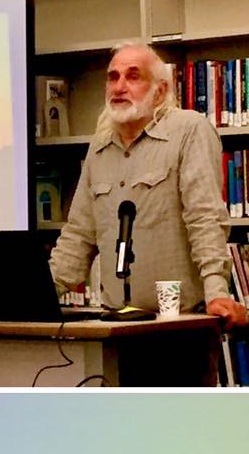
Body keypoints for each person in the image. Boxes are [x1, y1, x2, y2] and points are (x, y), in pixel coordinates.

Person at [49, 42, 247, 329]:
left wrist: (217, 292)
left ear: (160, 90)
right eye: (113, 77)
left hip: (179, 323)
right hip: (114, 325)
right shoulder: (100, 146)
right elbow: (78, 236)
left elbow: (205, 218)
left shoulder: (188, 130)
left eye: (133, 76)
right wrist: (32, 296)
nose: (119, 87)